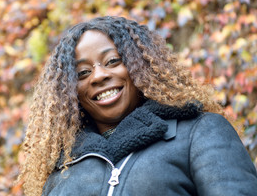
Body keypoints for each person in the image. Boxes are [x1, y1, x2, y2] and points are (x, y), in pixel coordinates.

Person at [19, 16, 257, 196]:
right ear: (71, 93)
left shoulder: (199, 132)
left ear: (140, 67)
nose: (99, 76)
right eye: (83, 72)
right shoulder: (62, 171)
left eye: (113, 61)